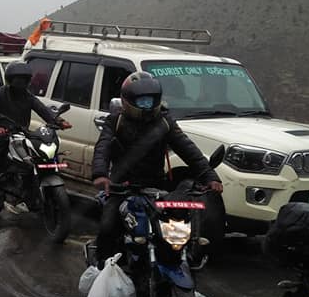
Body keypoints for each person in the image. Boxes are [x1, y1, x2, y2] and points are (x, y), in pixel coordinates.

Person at [91, 71, 223, 265]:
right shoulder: (115, 121)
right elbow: (102, 148)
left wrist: (210, 177)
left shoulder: (165, 122)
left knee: (175, 229)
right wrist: (100, 174)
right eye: (142, 101)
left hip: (156, 188)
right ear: (127, 100)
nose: (147, 106)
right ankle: (101, 266)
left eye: (151, 100)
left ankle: (181, 261)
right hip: (121, 187)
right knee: (108, 227)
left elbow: (189, 150)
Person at [0, 61, 71, 229]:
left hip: (20, 135)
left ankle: (31, 198)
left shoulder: (27, 96)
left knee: (33, 162)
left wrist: (58, 121)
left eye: (24, 79)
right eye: (17, 79)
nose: (20, 83)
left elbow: (42, 109)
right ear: (10, 80)